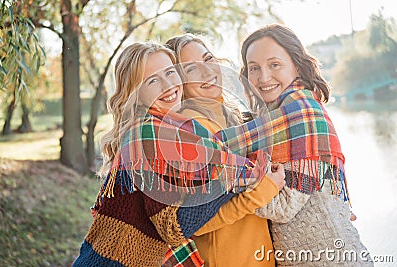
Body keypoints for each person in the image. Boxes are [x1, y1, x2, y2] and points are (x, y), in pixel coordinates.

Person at [72, 41, 283, 267]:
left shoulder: (173, 129)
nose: (168, 85)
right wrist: (254, 179)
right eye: (153, 80)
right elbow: (174, 226)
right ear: (136, 93)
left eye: (170, 73)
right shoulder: (151, 136)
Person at [216, 24, 373, 266]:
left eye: (274, 65)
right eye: (254, 68)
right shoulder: (269, 119)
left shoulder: (301, 114)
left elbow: (284, 208)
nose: (263, 77)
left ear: (296, 66)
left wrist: (225, 177)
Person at [163, 33, 285, 267]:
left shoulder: (233, 118)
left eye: (208, 59)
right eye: (191, 69)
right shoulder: (191, 130)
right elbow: (195, 221)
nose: (206, 72)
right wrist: (263, 190)